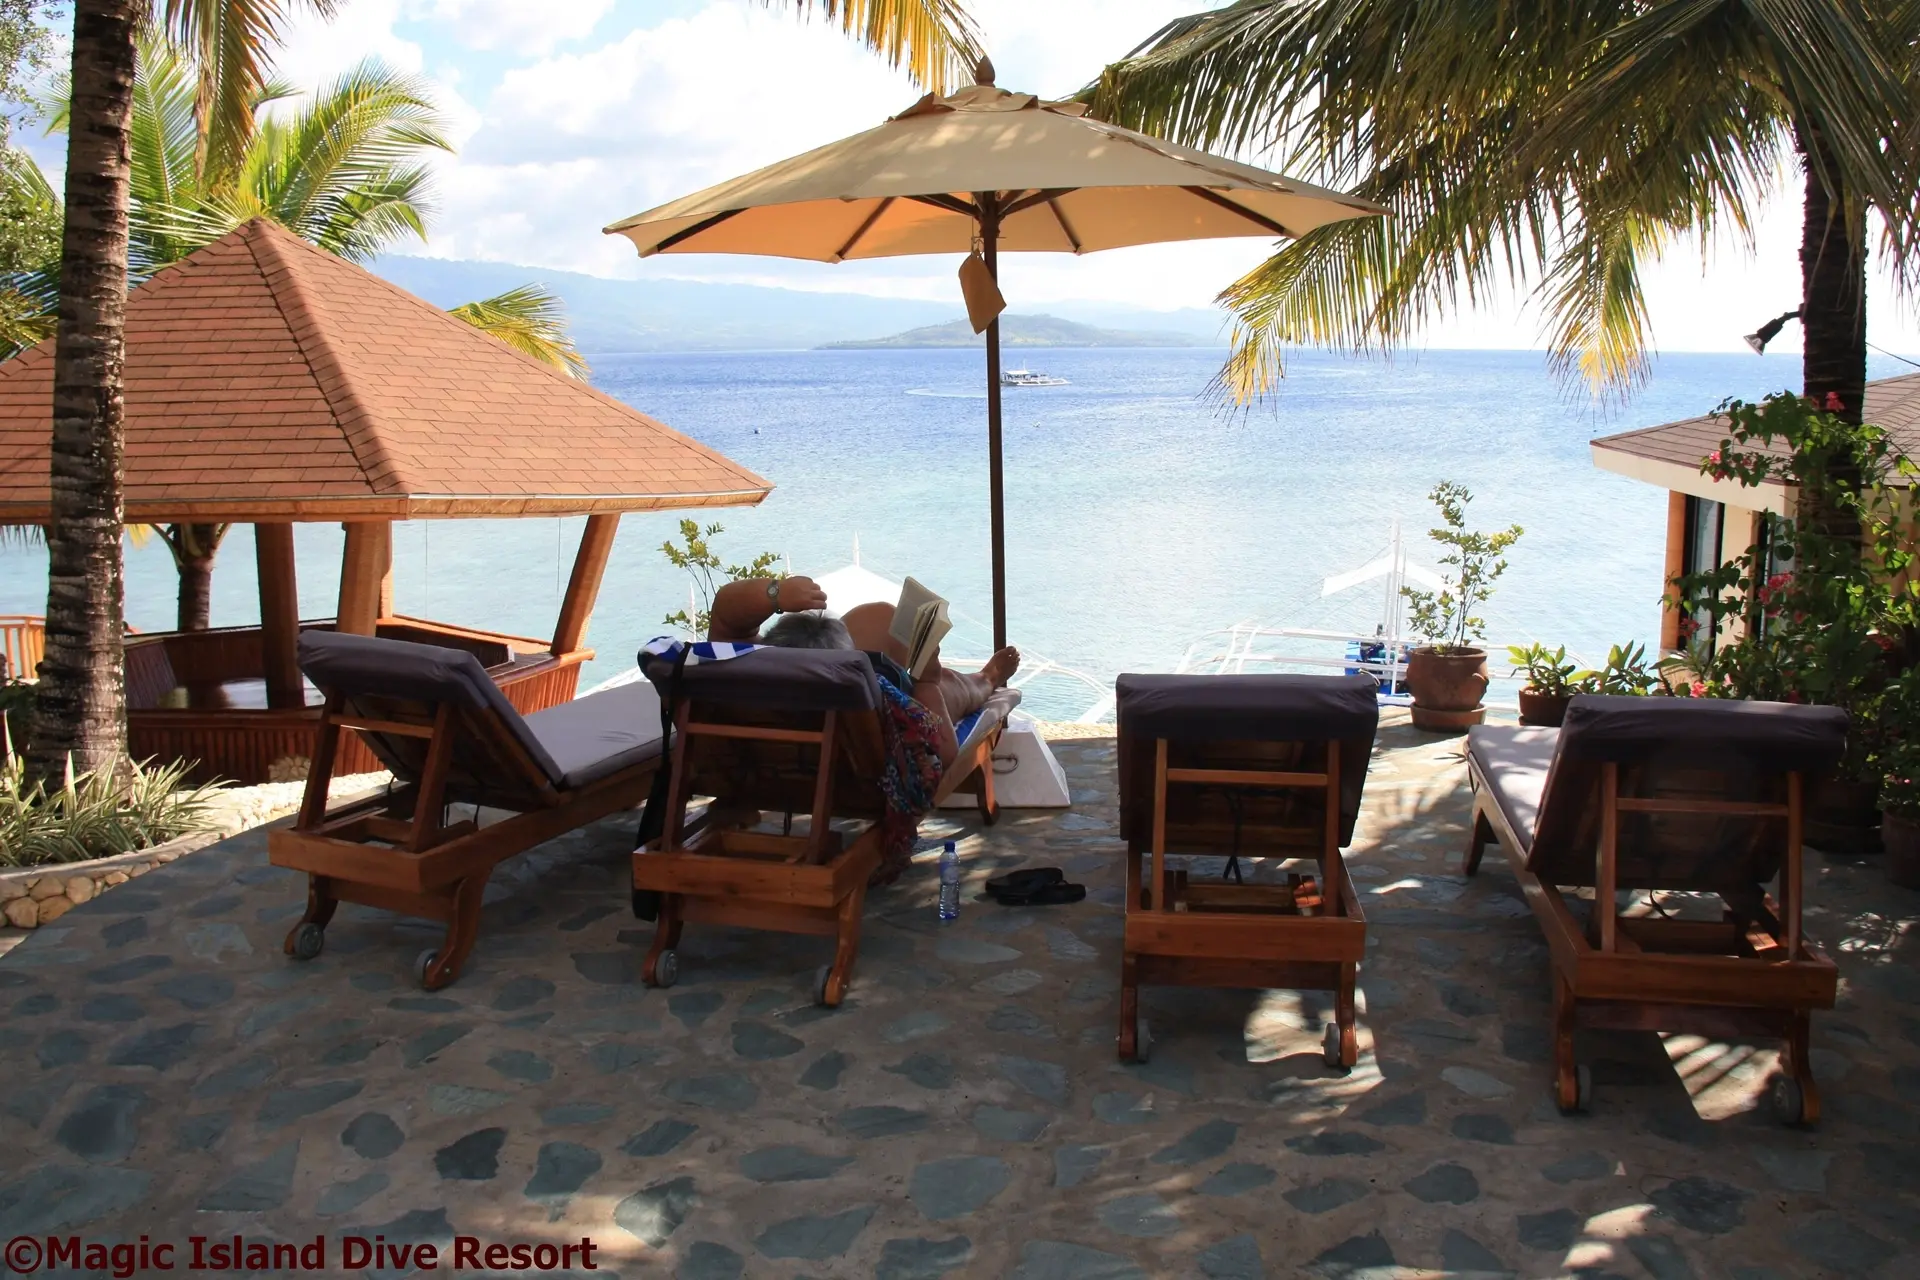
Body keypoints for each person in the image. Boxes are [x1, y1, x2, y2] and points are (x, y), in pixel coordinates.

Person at [707, 575, 1019, 769]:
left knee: (880, 615)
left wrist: (775, 594)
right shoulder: (866, 702)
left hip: (769, 743)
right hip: (852, 737)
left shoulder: (741, 674)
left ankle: (971, 678)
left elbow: (724, 612)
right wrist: (928, 682)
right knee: (947, 682)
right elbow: (941, 754)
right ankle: (987, 679)